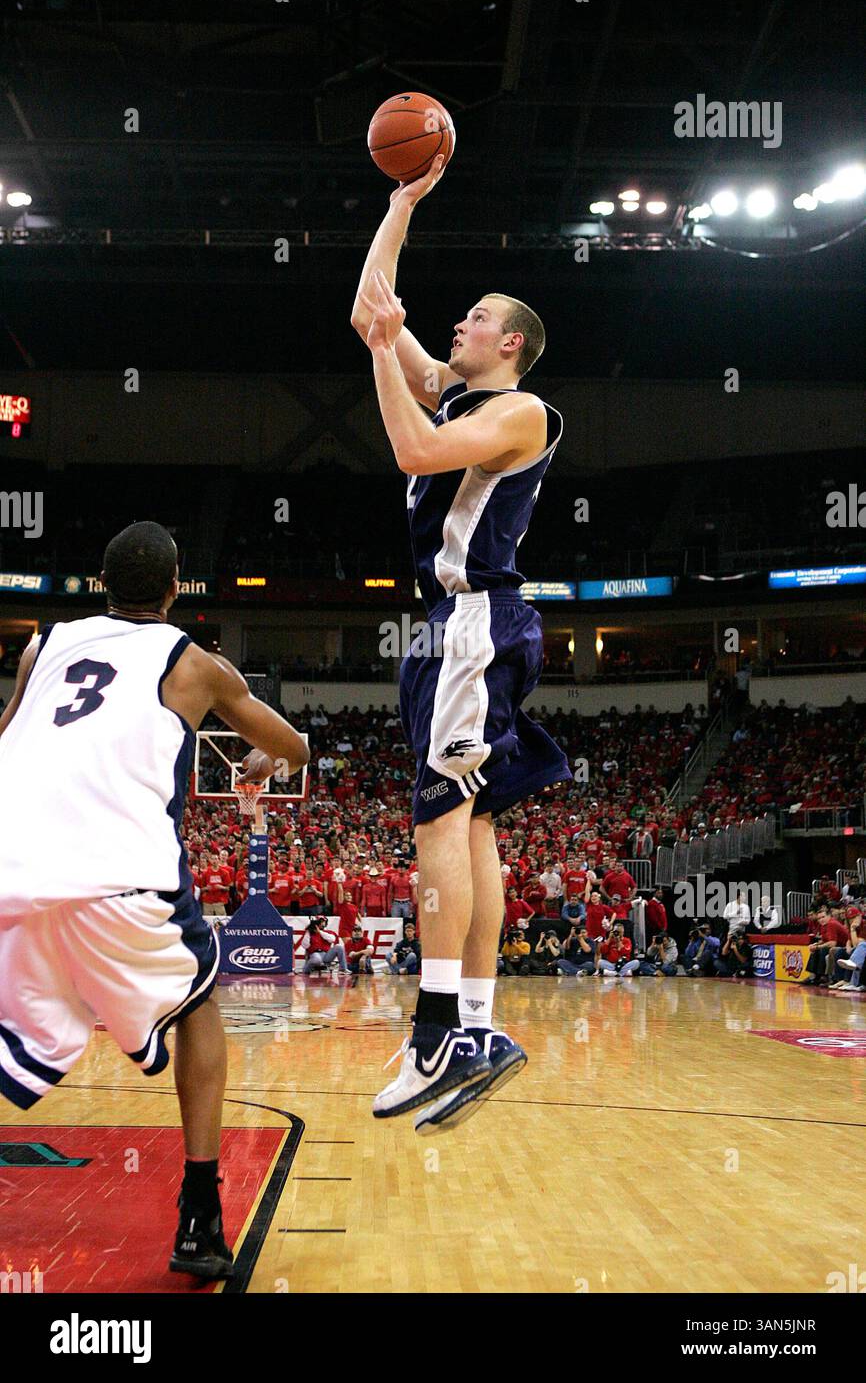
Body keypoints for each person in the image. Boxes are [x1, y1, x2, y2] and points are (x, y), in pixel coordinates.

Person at [0, 521, 310, 1280]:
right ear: (178, 590)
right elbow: (294, 746)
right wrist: (267, 756)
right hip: (118, 873)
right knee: (201, 1005)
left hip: (11, 864)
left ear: (99, 584)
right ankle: (200, 1215)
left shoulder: (43, 645)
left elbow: (9, 736)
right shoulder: (195, 664)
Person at [352, 153, 571, 1133]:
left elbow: (408, 449)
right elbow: (372, 302)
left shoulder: (517, 411)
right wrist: (400, 205)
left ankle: (435, 1027)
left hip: (472, 623)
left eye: (477, 317)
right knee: (472, 825)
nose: (458, 325)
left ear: (512, 341)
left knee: (437, 823)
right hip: (461, 627)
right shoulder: (452, 388)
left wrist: (376, 355)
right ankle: (477, 1027)